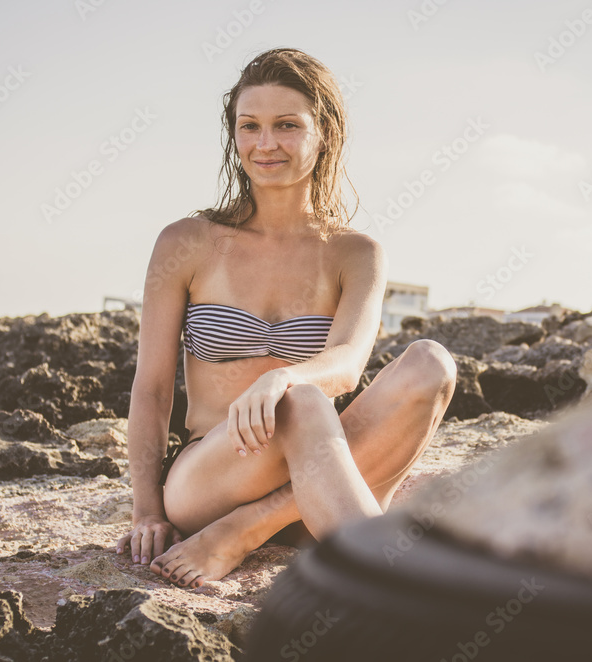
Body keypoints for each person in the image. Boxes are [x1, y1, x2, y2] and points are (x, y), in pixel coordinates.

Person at [116, 47, 457, 589]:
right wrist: (145, 512)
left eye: (286, 126)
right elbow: (152, 390)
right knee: (301, 400)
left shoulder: (356, 253)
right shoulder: (188, 243)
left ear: (325, 135)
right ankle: (391, 584)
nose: (265, 143)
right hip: (212, 473)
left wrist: (284, 375)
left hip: (316, 486)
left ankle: (249, 527)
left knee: (431, 364)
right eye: (249, 126)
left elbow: (346, 365)